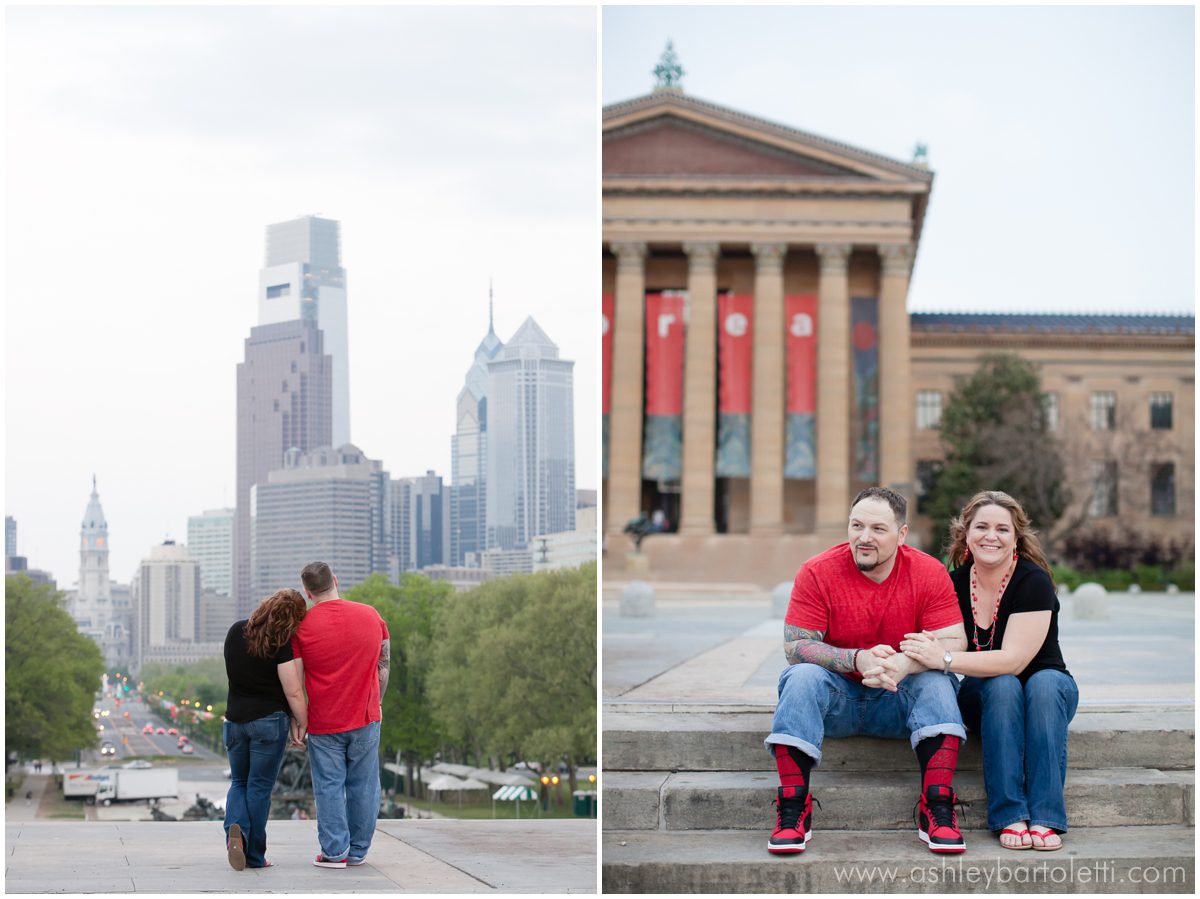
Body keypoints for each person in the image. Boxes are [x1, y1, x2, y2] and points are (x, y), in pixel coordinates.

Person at [765, 486, 969, 855]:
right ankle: (794, 808)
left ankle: (937, 806)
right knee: (800, 676)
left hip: (899, 702)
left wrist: (903, 664)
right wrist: (858, 659)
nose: (864, 537)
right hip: (836, 703)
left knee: (939, 680)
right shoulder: (817, 570)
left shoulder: (927, 571)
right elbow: (796, 646)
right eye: (856, 525)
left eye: (877, 529)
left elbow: (954, 642)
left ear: (901, 534)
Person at [901, 490, 1077, 852]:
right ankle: (1009, 813)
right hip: (989, 696)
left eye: (1002, 529)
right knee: (1001, 685)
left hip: (1049, 692)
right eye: (981, 526)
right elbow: (930, 639)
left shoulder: (1033, 581)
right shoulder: (952, 584)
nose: (991, 536)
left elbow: (1013, 660)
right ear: (966, 534)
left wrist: (945, 660)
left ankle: (1045, 816)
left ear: (1016, 538)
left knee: (1039, 682)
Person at [293, 561, 390, 869]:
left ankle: (335, 852)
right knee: (364, 785)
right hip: (365, 716)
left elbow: (294, 681)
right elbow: (384, 667)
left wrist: (299, 719)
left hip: (324, 722)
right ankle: (359, 851)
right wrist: (378, 703)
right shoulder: (371, 615)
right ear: (335, 579)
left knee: (329, 786)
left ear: (307, 593)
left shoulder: (301, 628)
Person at [222, 588, 308, 871]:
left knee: (239, 783)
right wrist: (303, 721)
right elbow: (293, 691)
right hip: (268, 723)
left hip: (234, 722)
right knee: (259, 788)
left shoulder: (236, 631)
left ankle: (235, 831)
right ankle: (255, 856)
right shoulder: (280, 643)